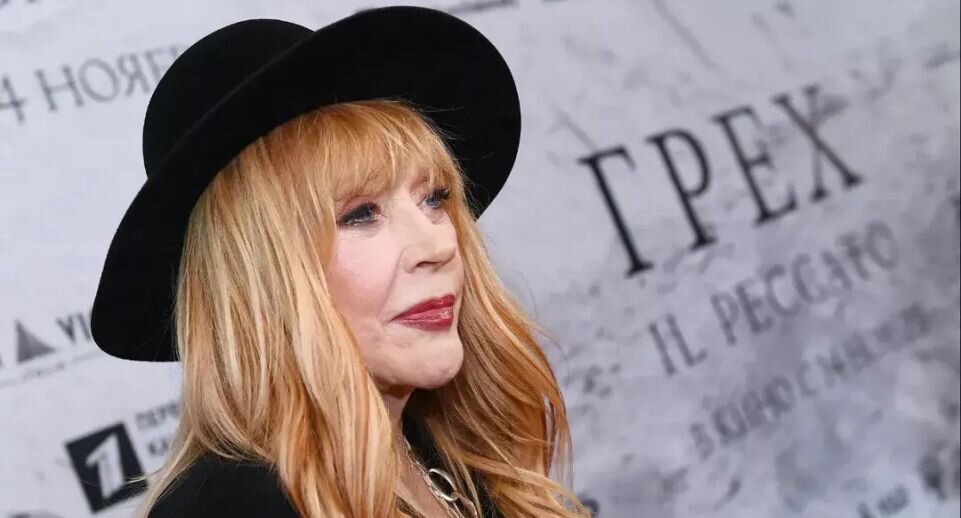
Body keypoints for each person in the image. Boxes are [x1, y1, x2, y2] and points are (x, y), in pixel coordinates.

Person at [89, 6, 592, 518]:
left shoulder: (441, 452)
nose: (439, 245)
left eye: (434, 198)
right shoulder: (234, 507)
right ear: (259, 279)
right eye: (361, 214)